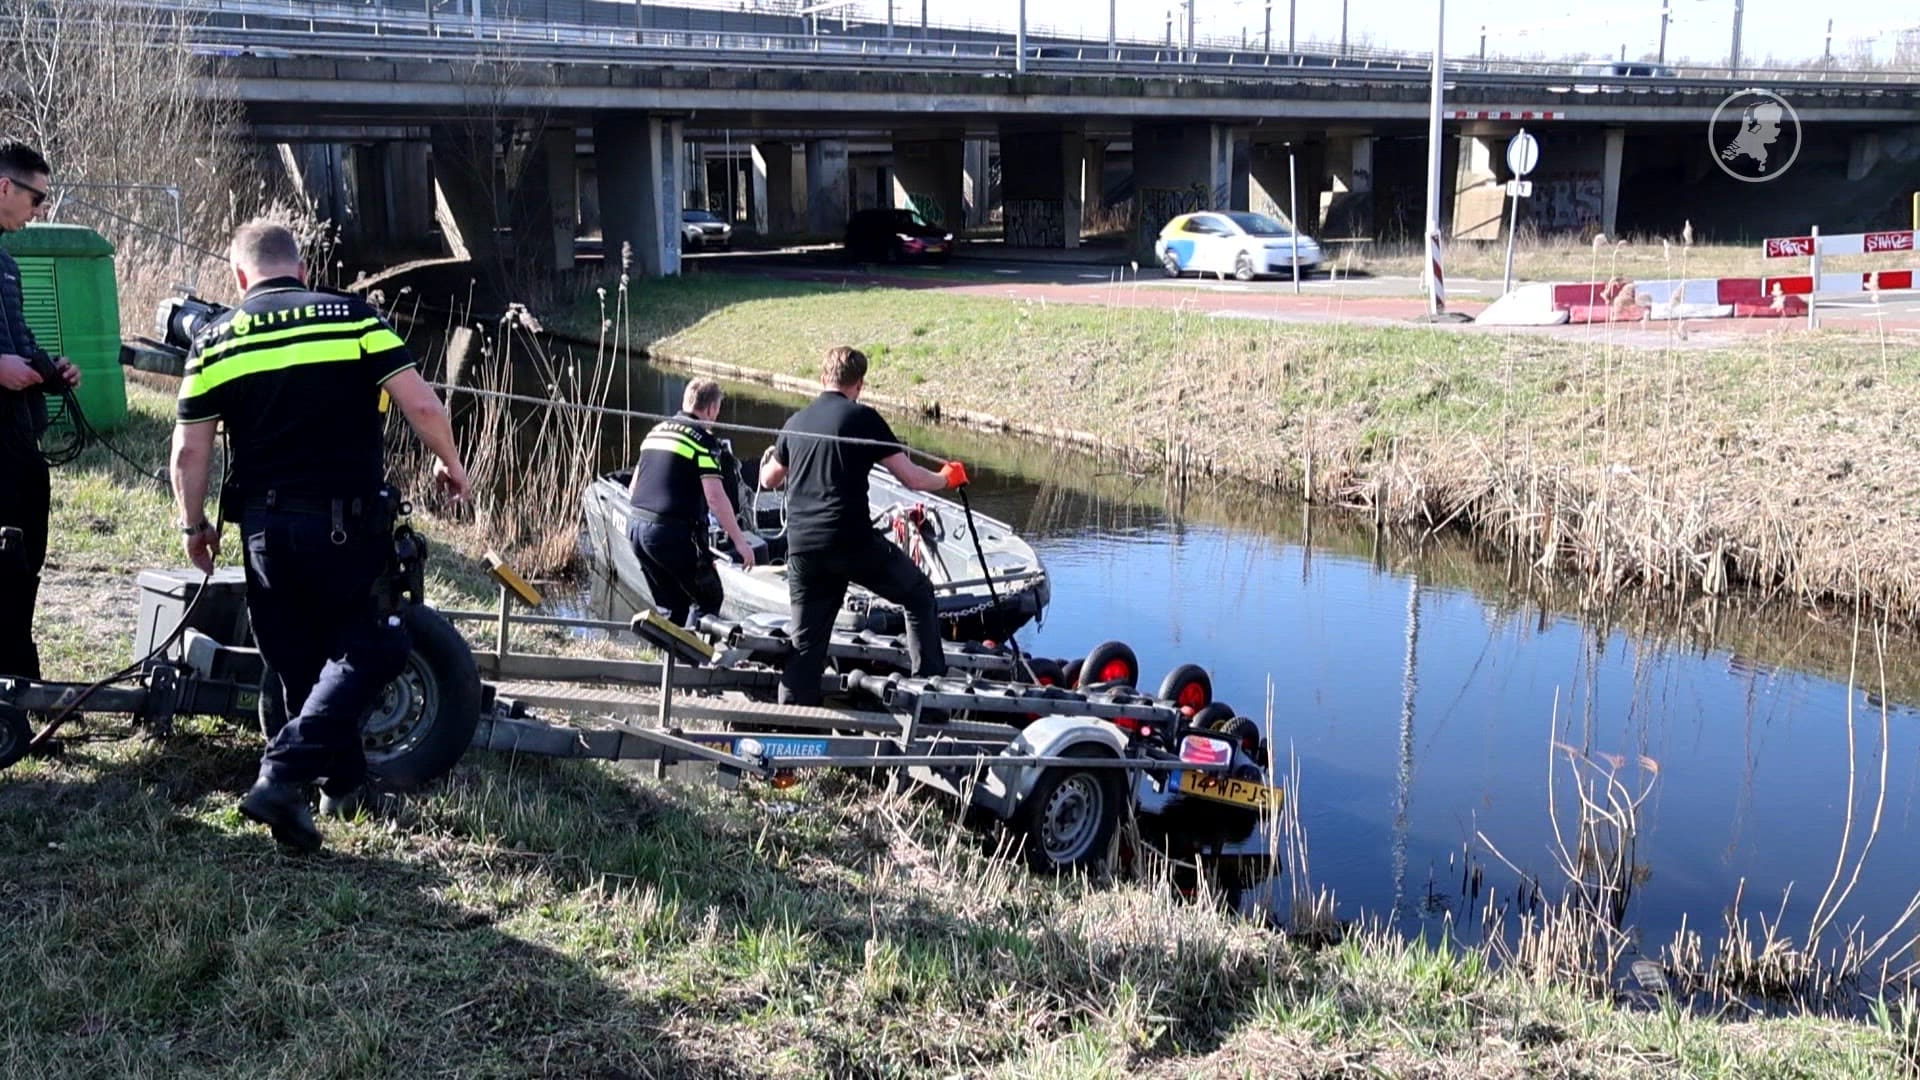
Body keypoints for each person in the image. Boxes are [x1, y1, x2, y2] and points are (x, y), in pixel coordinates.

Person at [169, 218, 470, 853]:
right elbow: (420, 404)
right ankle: (280, 779)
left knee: (299, 665)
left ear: (241, 277)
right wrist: (450, 463)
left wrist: (194, 524)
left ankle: (338, 789)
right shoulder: (351, 318)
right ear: (301, 269)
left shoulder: (216, 338)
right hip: (345, 524)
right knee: (376, 648)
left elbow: (188, 452)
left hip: (263, 532)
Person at [758, 346, 968, 707]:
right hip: (851, 541)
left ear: (823, 379)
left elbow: (768, 479)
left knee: (806, 645)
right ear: (860, 385)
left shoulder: (795, 423)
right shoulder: (863, 418)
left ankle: (792, 724)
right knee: (918, 595)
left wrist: (773, 454)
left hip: (804, 547)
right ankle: (927, 695)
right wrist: (946, 479)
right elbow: (911, 479)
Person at [0, 139, 80, 680]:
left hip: (18, 441)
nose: (40, 210)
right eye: (36, 197)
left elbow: (20, 342)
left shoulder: (7, 264)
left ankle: (21, 696)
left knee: (22, 568)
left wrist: (53, 373)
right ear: (4, 186)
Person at [626, 377, 754, 627]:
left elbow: (633, 488)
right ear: (711, 409)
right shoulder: (703, 441)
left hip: (636, 527)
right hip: (669, 531)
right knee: (708, 598)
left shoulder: (656, 431)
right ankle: (692, 661)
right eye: (718, 410)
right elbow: (715, 498)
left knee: (671, 606)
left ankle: (669, 660)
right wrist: (740, 542)